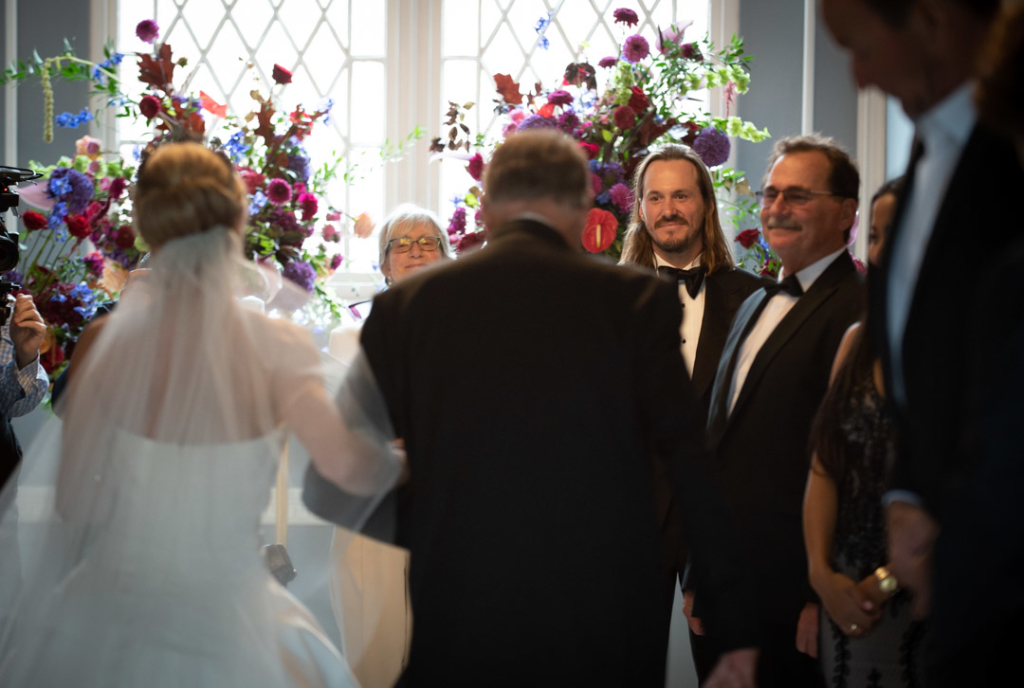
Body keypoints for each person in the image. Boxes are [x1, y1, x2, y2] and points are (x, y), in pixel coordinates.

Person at [307, 129, 760, 687]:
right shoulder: (635, 301)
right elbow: (692, 469)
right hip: (600, 618)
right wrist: (736, 633)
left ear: (490, 212)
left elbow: (327, 481)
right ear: (579, 210)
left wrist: (441, 528)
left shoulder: (407, 306)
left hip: (460, 613)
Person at [0, 142, 402, 687]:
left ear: (144, 226)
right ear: (238, 219)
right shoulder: (277, 344)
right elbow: (350, 471)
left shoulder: (104, 340)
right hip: (233, 609)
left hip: (112, 605)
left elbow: (74, 500)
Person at [820, 1, 1024, 684]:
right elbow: (929, 354)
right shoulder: (930, 149)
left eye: (862, 48)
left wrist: (968, 540)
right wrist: (907, 495)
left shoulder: (1003, 156)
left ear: (933, 23)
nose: (857, 79)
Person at [696, 134, 864, 687]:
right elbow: (720, 446)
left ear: (846, 213)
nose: (776, 208)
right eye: (771, 194)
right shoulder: (754, 301)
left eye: (797, 195)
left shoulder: (863, 308)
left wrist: (820, 591)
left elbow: (854, 463)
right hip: (727, 592)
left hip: (796, 605)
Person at [619, 143, 768, 681]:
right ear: (639, 209)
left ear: (706, 202)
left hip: (724, 521)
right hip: (632, 522)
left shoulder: (757, 300)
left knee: (729, 673)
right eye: (654, 197)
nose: (668, 209)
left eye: (681, 195)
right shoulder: (608, 302)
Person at [802, 178, 927, 687]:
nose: (878, 250)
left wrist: (885, 581)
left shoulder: (965, 347)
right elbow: (824, 465)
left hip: (920, 593)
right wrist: (820, 576)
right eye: (872, 236)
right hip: (844, 588)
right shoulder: (858, 341)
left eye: (893, 233)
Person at [326, 204, 450, 688]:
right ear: (382, 263)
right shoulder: (348, 336)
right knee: (376, 653)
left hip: (448, 509)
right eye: (401, 243)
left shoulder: (475, 332)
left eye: (428, 242)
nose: (416, 251)